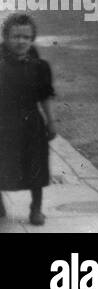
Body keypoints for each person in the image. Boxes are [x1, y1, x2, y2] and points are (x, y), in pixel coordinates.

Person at [0, 13, 57, 225]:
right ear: (6, 37)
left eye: (26, 37)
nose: (21, 41)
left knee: (36, 165)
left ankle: (36, 209)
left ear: (32, 39)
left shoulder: (40, 66)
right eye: (16, 36)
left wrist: (51, 121)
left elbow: (45, 96)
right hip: (2, 123)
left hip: (30, 123)